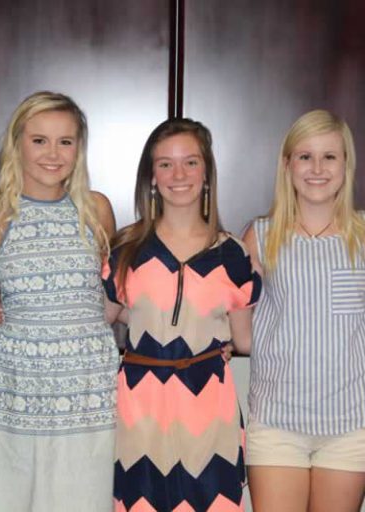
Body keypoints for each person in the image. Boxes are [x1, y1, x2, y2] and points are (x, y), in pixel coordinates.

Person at [0, 91, 119, 511]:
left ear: (78, 149)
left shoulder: (97, 211)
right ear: (17, 144)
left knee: (83, 497)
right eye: (39, 140)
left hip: (88, 388)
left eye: (65, 141)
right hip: (15, 387)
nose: (53, 154)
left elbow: (106, 299)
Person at [103, 118, 261, 511]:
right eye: (166, 164)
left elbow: (245, 339)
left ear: (206, 173)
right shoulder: (126, 249)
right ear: (151, 176)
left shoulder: (234, 254)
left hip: (210, 410)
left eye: (190, 162)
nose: (179, 174)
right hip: (139, 411)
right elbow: (102, 318)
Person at [243, 110, 365, 512]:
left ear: (346, 165)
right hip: (276, 420)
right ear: (287, 165)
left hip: (350, 420)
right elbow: (233, 308)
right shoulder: (261, 235)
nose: (318, 168)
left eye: (330, 157)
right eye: (305, 157)